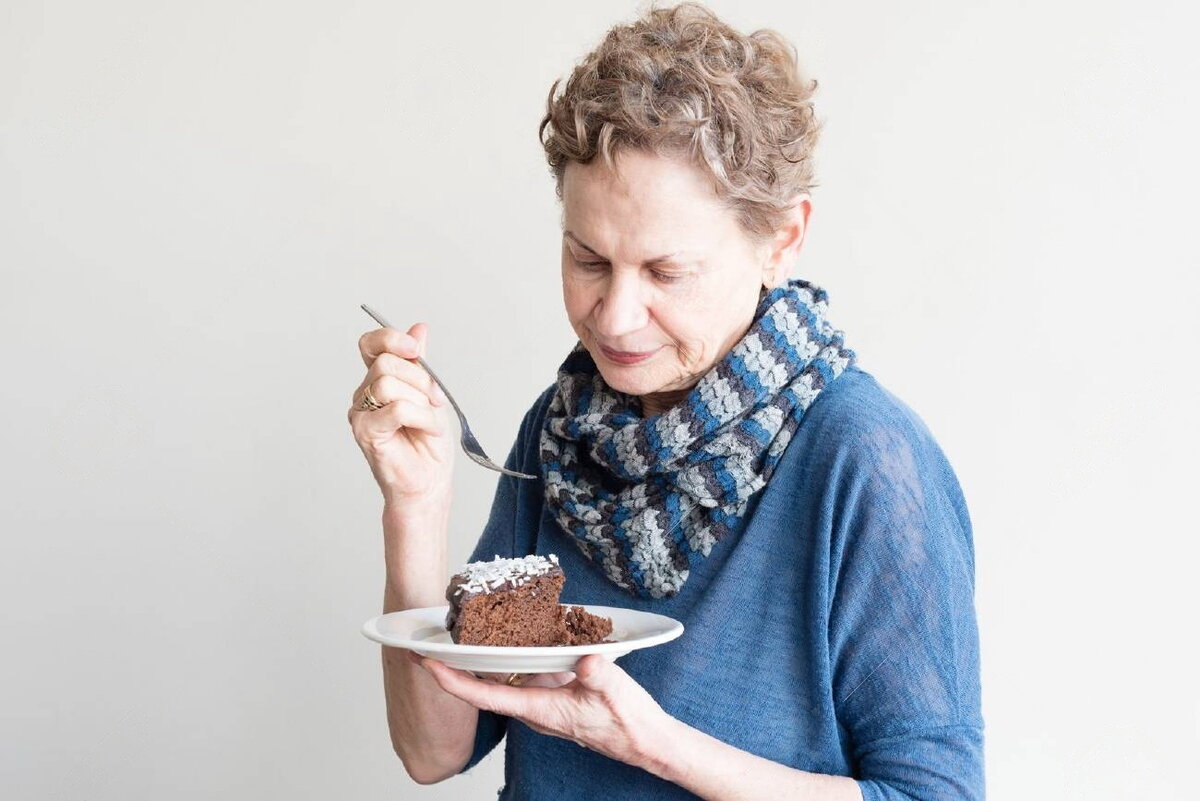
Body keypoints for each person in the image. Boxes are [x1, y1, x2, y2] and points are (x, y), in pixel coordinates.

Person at [347, 4, 983, 800]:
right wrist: (415, 505)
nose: (615, 318)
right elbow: (433, 749)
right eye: (588, 259)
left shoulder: (864, 458)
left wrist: (653, 745)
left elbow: (936, 793)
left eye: (666, 271)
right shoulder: (563, 426)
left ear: (782, 240)